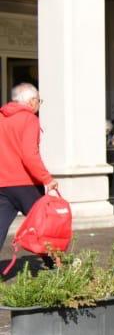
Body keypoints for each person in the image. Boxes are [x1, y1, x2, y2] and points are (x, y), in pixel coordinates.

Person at [0, 83, 59, 244]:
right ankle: (55, 258)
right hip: (26, 183)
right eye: (39, 101)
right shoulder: (29, 119)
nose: (39, 104)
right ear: (32, 101)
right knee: (45, 225)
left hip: (2, 183)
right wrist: (47, 179)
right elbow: (29, 155)